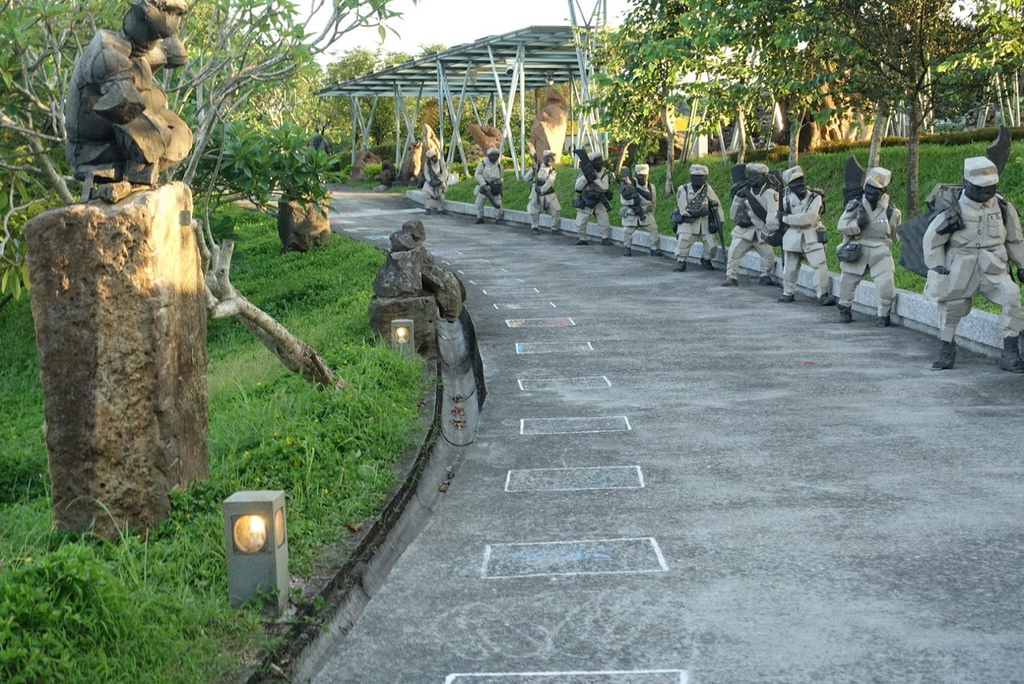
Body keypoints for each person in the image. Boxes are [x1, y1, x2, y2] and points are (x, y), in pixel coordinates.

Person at [65, 0, 192, 199]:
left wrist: (166, 53)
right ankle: (135, 176)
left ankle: (138, 176)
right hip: (92, 146)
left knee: (181, 133)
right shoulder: (108, 51)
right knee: (150, 129)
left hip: (122, 135)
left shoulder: (139, 51)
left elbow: (150, 55)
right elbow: (123, 104)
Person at [924, 157, 1024, 371]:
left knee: (1012, 296)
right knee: (951, 308)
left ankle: (1011, 353)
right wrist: (937, 266)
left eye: (990, 187)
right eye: (980, 187)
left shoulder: (1003, 207)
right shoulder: (951, 208)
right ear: (966, 183)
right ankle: (946, 350)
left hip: (994, 267)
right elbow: (932, 240)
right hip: (961, 266)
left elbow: (1015, 240)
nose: (986, 192)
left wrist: (1021, 264)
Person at [836, 167, 902, 325]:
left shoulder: (892, 212)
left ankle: (884, 315)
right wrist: (857, 224)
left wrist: (894, 229)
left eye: (876, 191)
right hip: (857, 248)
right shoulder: (855, 205)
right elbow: (841, 227)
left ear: (883, 191)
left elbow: (895, 238)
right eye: (869, 189)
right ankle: (845, 310)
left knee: (886, 286)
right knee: (847, 283)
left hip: (880, 251)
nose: (871, 194)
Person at [774, 166, 836, 305]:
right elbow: (775, 217)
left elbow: (809, 218)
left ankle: (822, 294)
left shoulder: (815, 197)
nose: (800, 185)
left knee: (820, 265)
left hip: (811, 236)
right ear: (790, 186)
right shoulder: (785, 199)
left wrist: (786, 218)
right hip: (791, 237)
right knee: (790, 268)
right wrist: (778, 220)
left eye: (801, 180)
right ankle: (788, 292)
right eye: (795, 182)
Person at [724, 162, 778, 287]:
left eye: (756, 175)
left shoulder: (770, 194)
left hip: (762, 231)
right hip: (744, 230)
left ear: (764, 177)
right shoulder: (744, 191)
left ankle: (765, 275)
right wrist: (738, 198)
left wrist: (771, 231)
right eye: (750, 175)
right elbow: (733, 215)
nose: (752, 178)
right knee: (733, 252)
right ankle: (731, 276)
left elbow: (772, 214)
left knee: (769, 256)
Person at [674, 163, 723, 271]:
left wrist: (720, 221)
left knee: (712, 244)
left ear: (705, 178)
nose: (698, 179)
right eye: (695, 176)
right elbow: (683, 209)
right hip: (688, 222)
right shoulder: (683, 189)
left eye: (701, 177)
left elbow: (717, 204)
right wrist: (698, 212)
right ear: (691, 177)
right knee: (684, 241)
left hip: (704, 223)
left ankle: (706, 259)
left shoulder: (707, 188)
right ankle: (681, 261)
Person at [620, 164, 661, 257]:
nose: (642, 178)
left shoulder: (651, 187)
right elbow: (623, 201)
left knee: (654, 229)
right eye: (640, 175)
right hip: (632, 213)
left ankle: (654, 248)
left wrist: (651, 213)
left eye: (644, 175)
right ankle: (627, 248)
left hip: (645, 214)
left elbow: (653, 202)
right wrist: (633, 202)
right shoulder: (628, 185)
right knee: (627, 231)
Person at [573, 151, 612, 246]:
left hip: (599, 200)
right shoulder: (584, 173)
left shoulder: (604, 174)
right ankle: (582, 238)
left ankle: (605, 238)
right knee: (580, 222)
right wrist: (585, 178)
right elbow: (577, 187)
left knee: (604, 221)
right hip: (587, 200)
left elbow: (605, 188)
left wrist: (596, 180)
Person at [528, 150, 561, 233]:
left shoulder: (552, 170)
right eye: (548, 158)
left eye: (552, 158)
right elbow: (526, 178)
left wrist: (542, 190)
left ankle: (554, 228)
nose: (550, 160)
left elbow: (550, 181)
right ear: (544, 158)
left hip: (548, 193)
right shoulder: (538, 167)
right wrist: (532, 170)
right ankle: (535, 227)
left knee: (556, 209)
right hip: (536, 191)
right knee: (535, 211)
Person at [474, 148, 504, 224]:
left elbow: (501, 177)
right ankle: (480, 217)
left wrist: (500, 186)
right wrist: (483, 184)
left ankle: (498, 218)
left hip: (495, 187)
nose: (495, 157)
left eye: (496, 156)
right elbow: (477, 174)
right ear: (489, 155)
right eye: (493, 155)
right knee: (479, 203)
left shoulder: (499, 166)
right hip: (484, 186)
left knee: (498, 204)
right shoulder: (482, 164)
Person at [423, 148, 447, 215]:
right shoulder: (427, 164)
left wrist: (440, 180)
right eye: (431, 157)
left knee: (441, 196)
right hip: (430, 181)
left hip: (439, 180)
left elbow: (445, 173)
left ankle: (440, 209)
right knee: (425, 193)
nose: (433, 158)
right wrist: (430, 181)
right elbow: (426, 173)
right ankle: (427, 208)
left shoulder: (441, 162)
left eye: (434, 156)